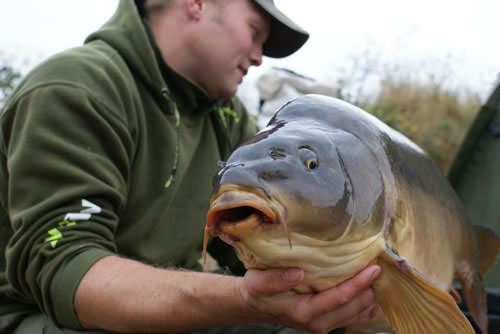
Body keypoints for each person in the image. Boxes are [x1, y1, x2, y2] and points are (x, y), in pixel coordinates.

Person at [0, 0, 381, 333]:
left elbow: (253, 252)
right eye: (254, 32)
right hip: (36, 315)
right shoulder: (77, 87)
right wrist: (245, 299)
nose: (258, 57)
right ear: (196, 3)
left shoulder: (228, 118)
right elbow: (67, 273)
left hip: (172, 310)